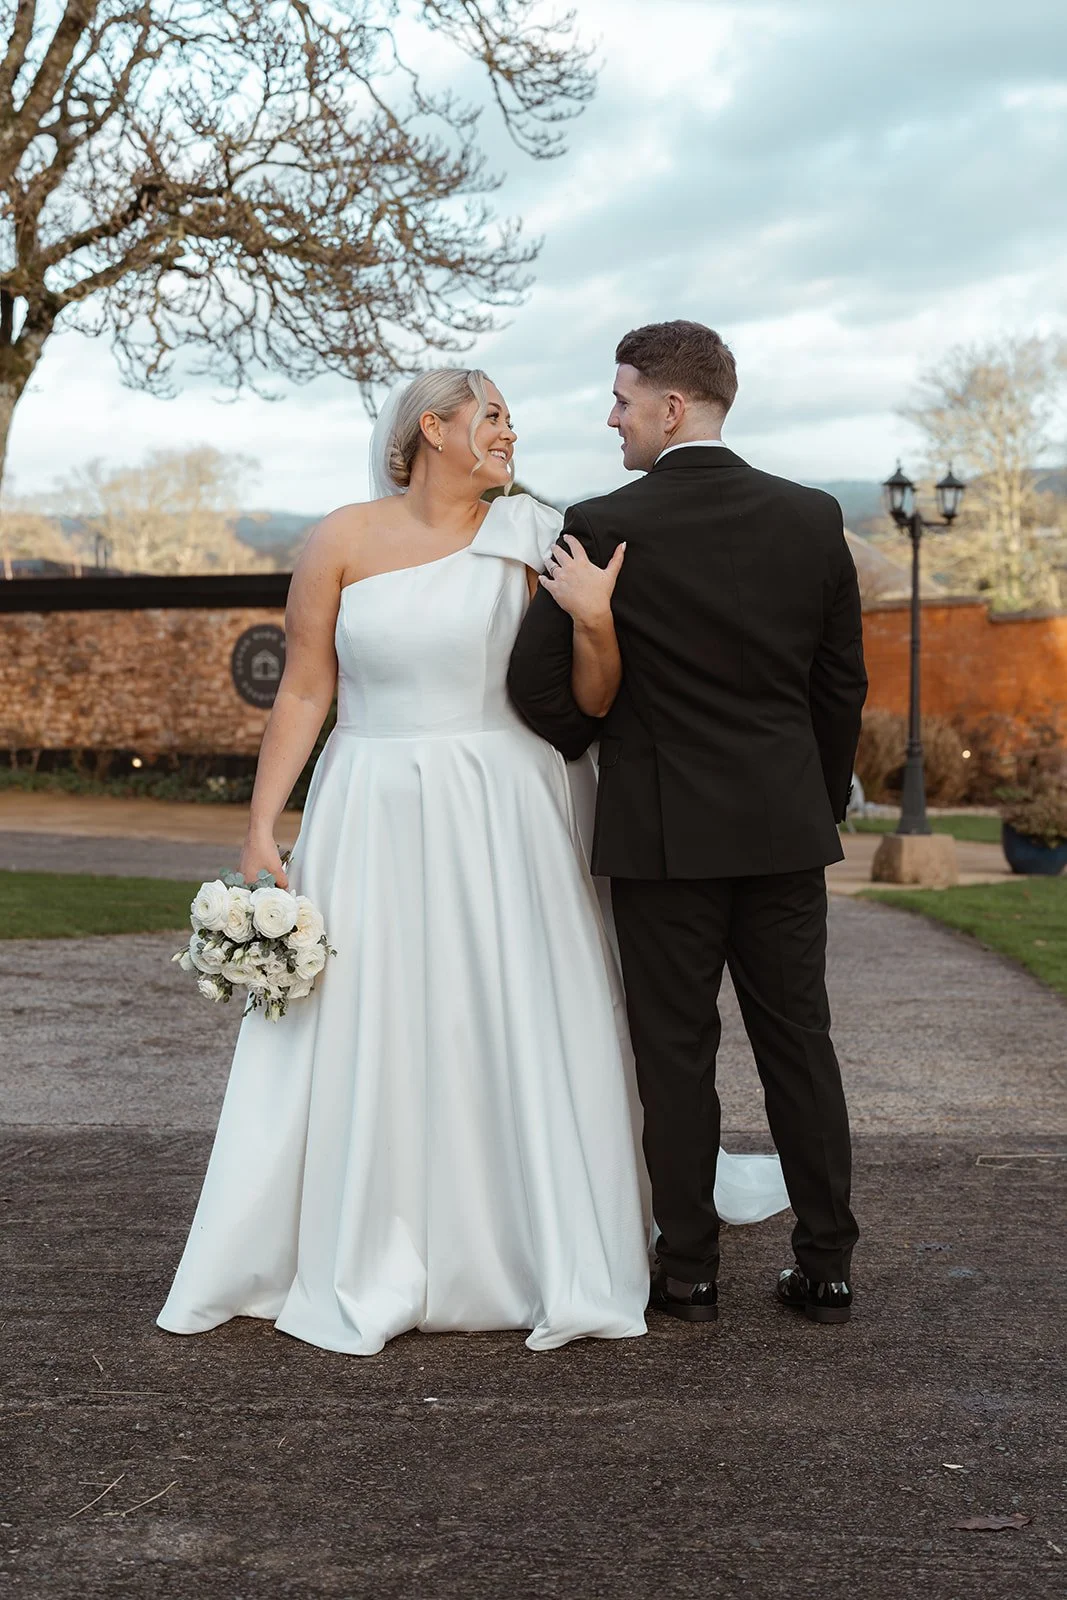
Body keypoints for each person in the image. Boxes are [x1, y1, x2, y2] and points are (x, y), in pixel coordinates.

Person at [157, 366, 787, 1356]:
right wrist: (258, 825)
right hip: (366, 802)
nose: (509, 431)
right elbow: (305, 691)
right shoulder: (340, 538)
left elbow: (588, 697)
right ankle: (362, 1240)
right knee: (376, 1017)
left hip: (506, 805)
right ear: (433, 429)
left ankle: (532, 1241)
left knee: (510, 1009)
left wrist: (594, 619)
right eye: (490, 415)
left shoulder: (538, 535)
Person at [509, 322, 868, 1325]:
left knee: (674, 1055)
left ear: (671, 408)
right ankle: (826, 1262)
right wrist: (811, 789)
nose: (609, 415)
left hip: (661, 835)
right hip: (782, 828)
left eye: (621, 398)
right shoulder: (810, 518)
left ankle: (688, 1272)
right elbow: (840, 686)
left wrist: (608, 723)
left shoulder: (599, 521)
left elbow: (539, 694)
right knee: (799, 1041)